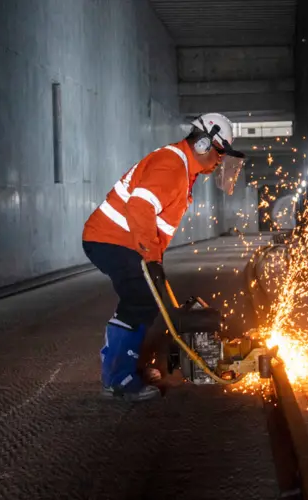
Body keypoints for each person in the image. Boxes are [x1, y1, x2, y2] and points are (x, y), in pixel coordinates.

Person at [81, 113, 246, 401]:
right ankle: (118, 380)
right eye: (219, 153)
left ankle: (126, 367)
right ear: (204, 144)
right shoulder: (172, 165)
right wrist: (150, 256)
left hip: (125, 241)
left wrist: (152, 257)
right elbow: (139, 208)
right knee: (141, 299)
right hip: (111, 239)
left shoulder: (184, 169)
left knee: (148, 300)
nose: (220, 161)